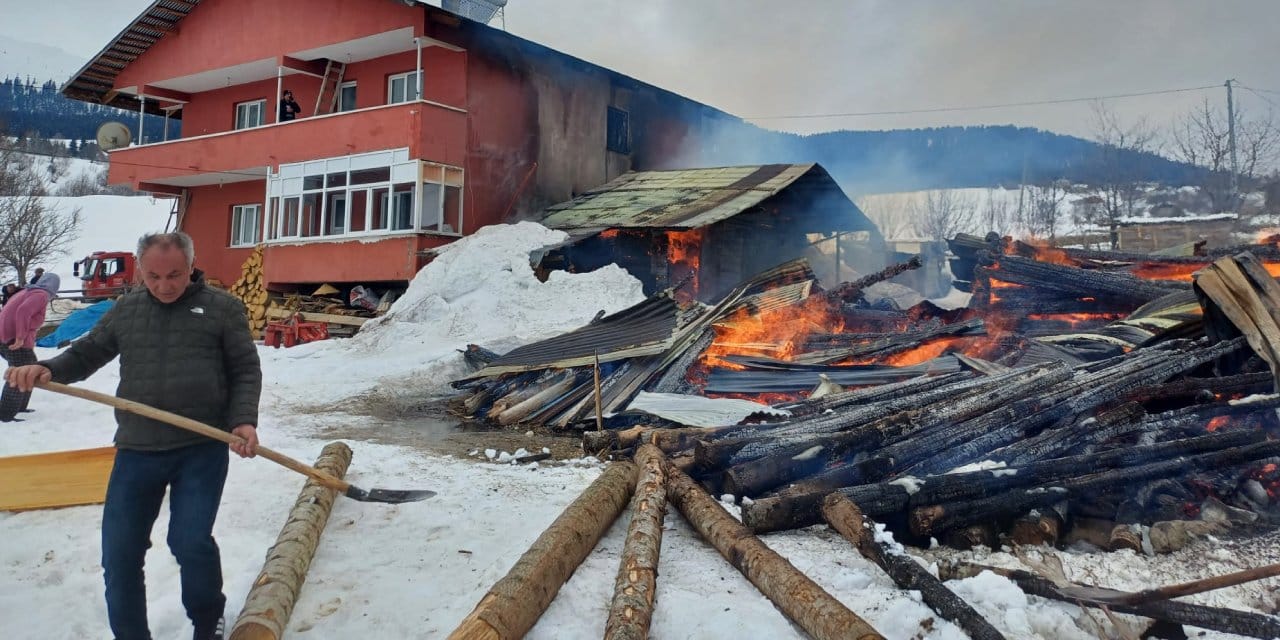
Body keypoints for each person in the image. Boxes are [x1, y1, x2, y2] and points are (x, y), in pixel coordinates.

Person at [4, 232, 262, 640]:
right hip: (137, 448)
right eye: (153, 276)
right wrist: (48, 368)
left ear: (191, 266)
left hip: (201, 447)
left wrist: (243, 420)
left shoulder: (222, 309)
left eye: (174, 275)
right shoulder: (128, 309)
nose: (164, 286)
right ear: (140, 271)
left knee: (190, 541)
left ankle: (207, 618)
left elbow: (245, 369)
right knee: (120, 553)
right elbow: (88, 352)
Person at [0, 274, 59, 421]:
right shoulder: (40, 294)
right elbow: (23, 311)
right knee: (20, 372)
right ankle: (5, 414)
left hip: (8, 337)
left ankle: (20, 406)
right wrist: (20, 337)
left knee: (29, 369)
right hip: (14, 339)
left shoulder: (27, 292)